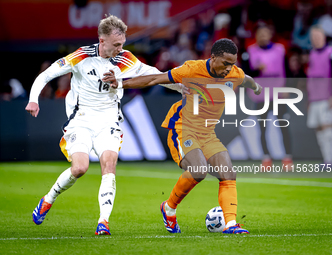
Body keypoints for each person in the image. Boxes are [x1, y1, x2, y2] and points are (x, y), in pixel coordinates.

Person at [25, 14, 182, 236]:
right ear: (102, 41)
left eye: (122, 44)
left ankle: (103, 222)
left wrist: (185, 89)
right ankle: (48, 199)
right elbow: (47, 74)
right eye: (116, 44)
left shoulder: (125, 59)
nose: (120, 48)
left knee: (109, 167)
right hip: (81, 121)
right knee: (79, 168)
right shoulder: (81, 56)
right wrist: (34, 98)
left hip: (109, 121)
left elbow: (155, 75)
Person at [105, 38, 262, 234]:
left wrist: (256, 87)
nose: (229, 68)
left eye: (233, 64)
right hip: (183, 127)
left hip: (208, 133)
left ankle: (231, 225)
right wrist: (120, 83)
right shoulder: (191, 70)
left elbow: (246, 79)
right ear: (213, 58)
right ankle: (169, 208)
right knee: (199, 171)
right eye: (226, 63)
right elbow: (155, 78)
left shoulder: (234, 74)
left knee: (228, 173)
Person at [247, 24, 293, 168]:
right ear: (256, 36)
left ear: (270, 35)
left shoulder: (280, 50)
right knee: (262, 128)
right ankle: (266, 158)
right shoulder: (250, 51)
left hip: (278, 94)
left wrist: (287, 88)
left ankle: (287, 158)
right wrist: (256, 70)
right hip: (261, 96)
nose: (263, 36)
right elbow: (245, 72)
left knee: (283, 126)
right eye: (260, 34)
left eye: (265, 33)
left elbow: (287, 70)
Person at [306, 26, 332, 165]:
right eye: (313, 37)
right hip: (314, 98)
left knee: (327, 128)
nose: (315, 40)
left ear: (323, 37)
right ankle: (327, 159)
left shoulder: (330, 52)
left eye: (317, 36)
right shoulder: (312, 54)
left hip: (326, 97)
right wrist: (309, 99)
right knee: (319, 129)